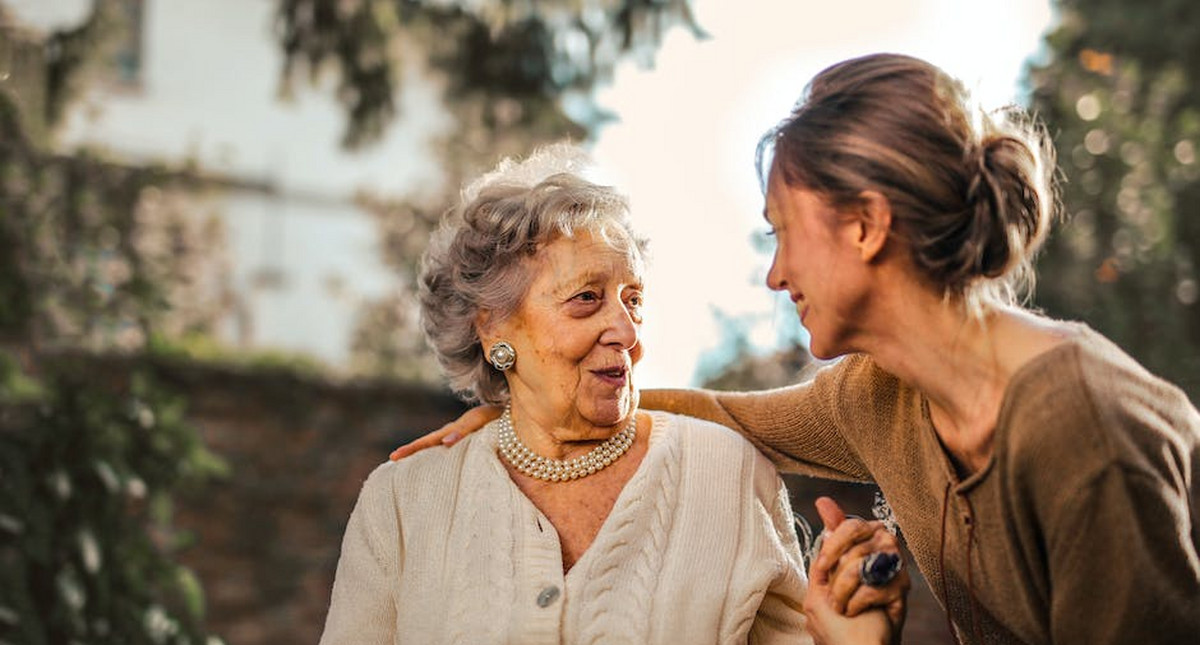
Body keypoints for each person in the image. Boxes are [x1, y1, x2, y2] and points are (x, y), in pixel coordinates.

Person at [391, 53, 1200, 645]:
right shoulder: (880, 395)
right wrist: (525, 412)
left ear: (866, 224)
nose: (775, 274)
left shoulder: (1082, 430)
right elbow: (720, 414)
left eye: (783, 234)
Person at [320, 144, 908, 644]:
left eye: (633, 299)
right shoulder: (402, 502)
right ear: (493, 327)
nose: (626, 333)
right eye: (586, 299)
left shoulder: (726, 472)